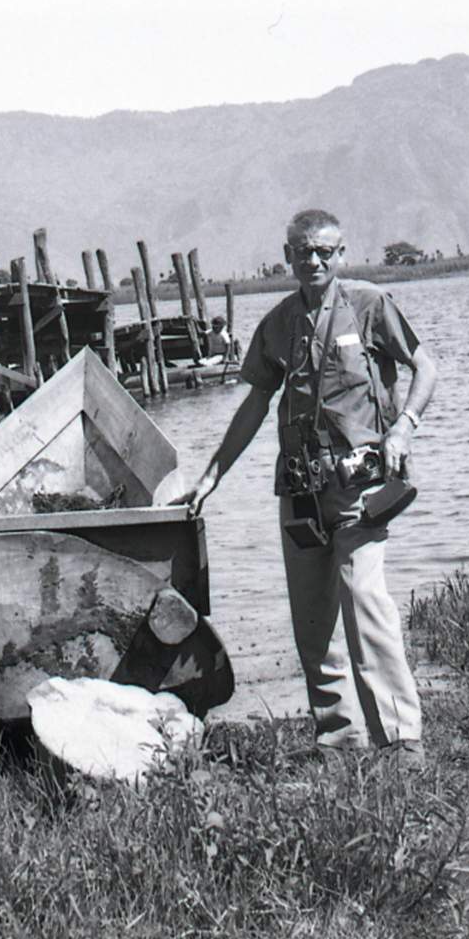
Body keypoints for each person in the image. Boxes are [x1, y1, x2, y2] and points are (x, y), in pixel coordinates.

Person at [190, 208, 437, 751]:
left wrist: (403, 431)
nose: (315, 260)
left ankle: (401, 742)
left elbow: (428, 366)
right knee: (313, 625)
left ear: (342, 254)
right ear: (288, 256)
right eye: (304, 251)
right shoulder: (278, 323)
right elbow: (256, 401)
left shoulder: (369, 306)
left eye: (325, 251)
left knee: (365, 607)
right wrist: (213, 474)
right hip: (301, 495)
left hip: (360, 490)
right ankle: (340, 741)